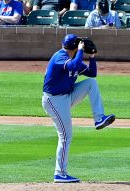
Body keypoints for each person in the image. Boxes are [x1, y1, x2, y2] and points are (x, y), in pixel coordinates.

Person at [42, 34, 115, 183]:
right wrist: (81, 51)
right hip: (53, 101)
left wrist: (92, 57)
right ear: (75, 47)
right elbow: (73, 66)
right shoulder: (59, 57)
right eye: (79, 44)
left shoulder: (73, 58)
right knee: (66, 136)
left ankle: (99, 118)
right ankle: (60, 173)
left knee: (91, 83)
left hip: (67, 96)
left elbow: (92, 73)